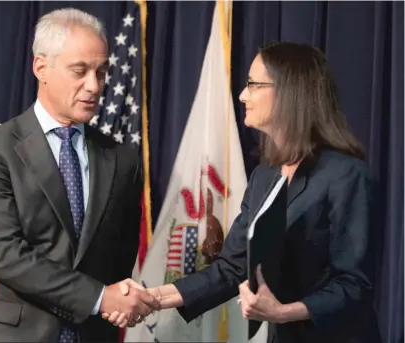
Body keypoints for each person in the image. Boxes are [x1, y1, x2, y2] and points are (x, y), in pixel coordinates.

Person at [104, 42, 382, 343]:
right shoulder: (264, 175)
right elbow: (230, 268)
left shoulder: (347, 175)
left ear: (290, 91)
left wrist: (283, 312)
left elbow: (354, 285)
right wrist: (152, 298)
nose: (242, 95)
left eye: (253, 84)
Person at [0, 8, 159, 343]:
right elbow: (1, 253)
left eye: (101, 71)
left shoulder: (122, 159)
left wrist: (116, 300)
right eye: (79, 71)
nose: (94, 86)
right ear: (41, 67)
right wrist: (97, 297)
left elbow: (119, 261)